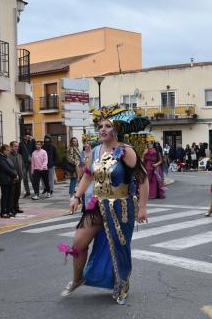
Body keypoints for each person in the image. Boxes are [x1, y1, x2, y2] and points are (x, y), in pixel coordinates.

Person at [61, 107, 149, 304]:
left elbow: (143, 179)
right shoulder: (95, 150)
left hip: (120, 207)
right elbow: (87, 175)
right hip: (97, 205)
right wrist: (76, 196)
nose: (102, 129)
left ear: (116, 130)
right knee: (78, 242)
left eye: (107, 126)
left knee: (119, 247)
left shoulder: (126, 151)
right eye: (100, 126)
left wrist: (143, 207)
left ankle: (122, 283)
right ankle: (78, 278)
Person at [0, 144, 18, 218]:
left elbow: (12, 167)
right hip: (4, 180)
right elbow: (6, 169)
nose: (9, 152)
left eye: (9, 150)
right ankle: (3, 212)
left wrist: (14, 175)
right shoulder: (0, 158)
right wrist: (14, 175)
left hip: (10, 180)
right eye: (7, 150)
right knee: (5, 197)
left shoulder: (5, 157)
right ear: (3, 150)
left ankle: (8, 211)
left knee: (9, 197)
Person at [8, 141, 24, 215]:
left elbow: (22, 166)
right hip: (12, 178)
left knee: (18, 193)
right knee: (12, 194)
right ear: (11, 147)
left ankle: (16, 208)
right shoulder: (8, 156)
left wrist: (22, 174)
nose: (16, 147)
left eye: (17, 146)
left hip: (19, 178)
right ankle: (11, 209)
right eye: (15, 146)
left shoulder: (19, 155)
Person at [19, 133, 35, 198]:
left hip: (30, 163)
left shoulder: (31, 143)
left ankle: (35, 190)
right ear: (24, 137)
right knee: (25, 178)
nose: (27, 137)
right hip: (24, 163)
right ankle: (27, 191)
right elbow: (19, 153)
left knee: (32, 178)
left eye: (28, 136)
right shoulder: (21, 144)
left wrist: (33, 140)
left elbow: (35, 149)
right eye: (26, 136)